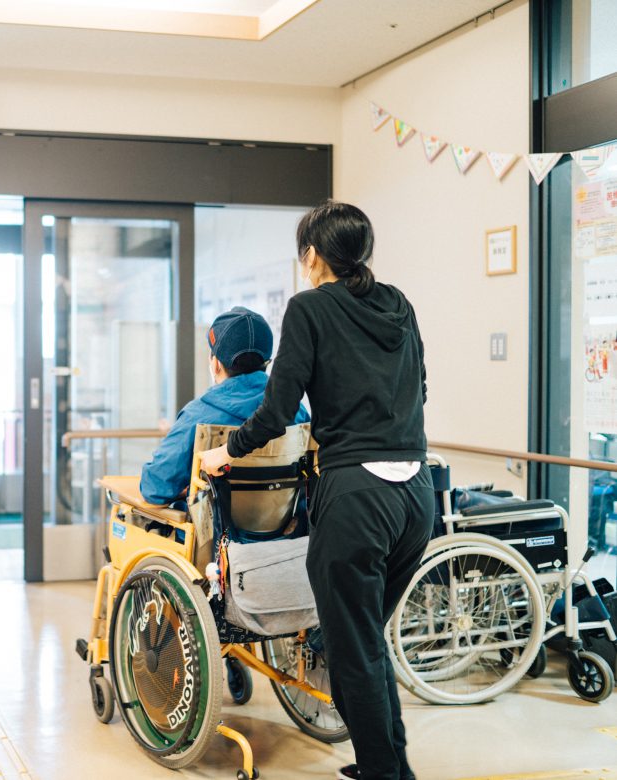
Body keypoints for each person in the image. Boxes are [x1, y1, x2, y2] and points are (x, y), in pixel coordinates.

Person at [201, 201, 432, 780]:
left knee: (353, 645)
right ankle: (390, 764)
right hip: (416, 495)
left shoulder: (308, 309)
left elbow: (276, 412)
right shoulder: (397, 303)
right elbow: (421, 385)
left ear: (311, 255)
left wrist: (226, 453)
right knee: (365, 638)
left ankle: (384, 772)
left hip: (356, 498)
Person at [139, 306, 309, 507]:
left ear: (216, 364)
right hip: (287, 529)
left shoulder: (197, 415)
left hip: (214, 534)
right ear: (267, 362)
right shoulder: (296, 412)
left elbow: (155, 488)